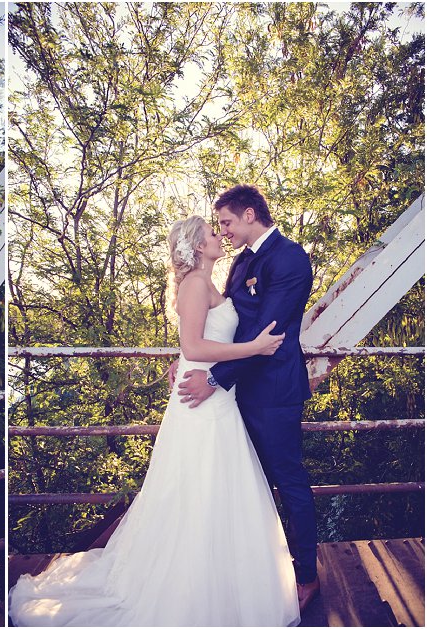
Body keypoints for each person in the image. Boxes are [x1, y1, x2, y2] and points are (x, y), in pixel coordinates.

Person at [8, 214, 300, 627]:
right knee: (198, 489)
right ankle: (188, 590)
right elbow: (194, 346)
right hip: (202, 402)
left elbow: (197, 342)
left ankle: (216, 582)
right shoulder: (195, 284)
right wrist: (253, 348)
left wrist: (190, 360)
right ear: (198, 246)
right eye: (212, 231)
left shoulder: (211, 281)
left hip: (216, 396)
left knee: (211, 489)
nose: (220, 235)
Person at [177, 184, 319, 610]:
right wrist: (187, 360)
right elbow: (225, 325)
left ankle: (306, 576)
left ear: (250, 215)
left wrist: (214, 378)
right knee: (243, 485)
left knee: (289, 482)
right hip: (236, 394)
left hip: (273, 392)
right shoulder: (240, 262)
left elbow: (266, 334)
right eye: (218, 226)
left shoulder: (290, 258)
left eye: (226, 222)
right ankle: (251, 571)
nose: (223, 231)